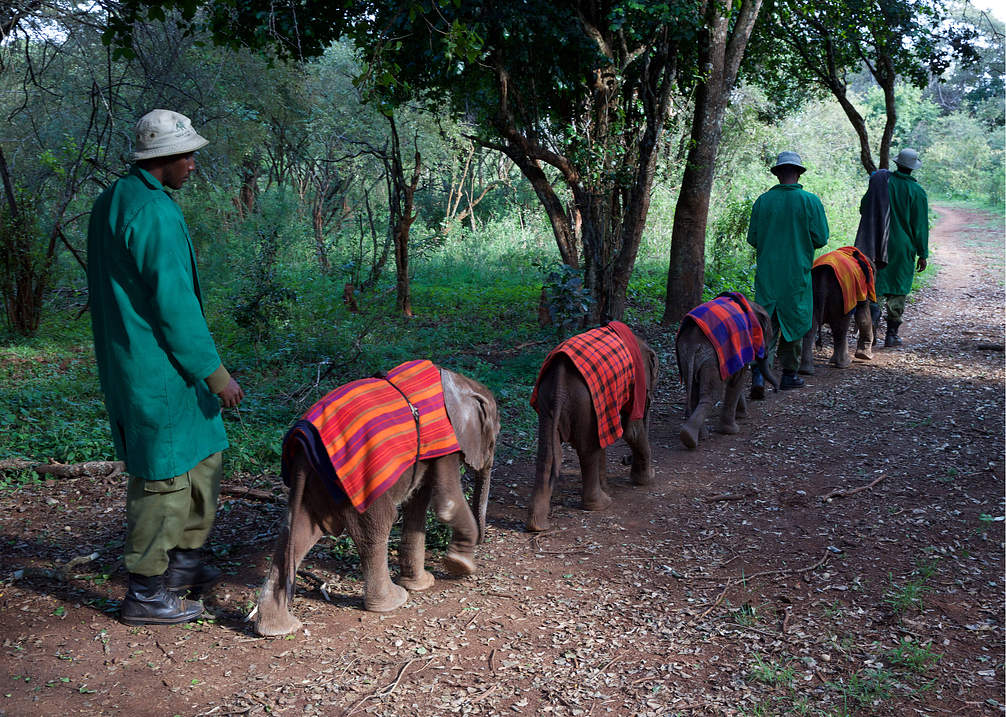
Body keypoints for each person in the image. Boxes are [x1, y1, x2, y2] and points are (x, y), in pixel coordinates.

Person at [87, 109, 245, 626]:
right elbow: (174, 306)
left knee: (205, 453)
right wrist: (216, 374)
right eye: (187, 155)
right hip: (155, 367)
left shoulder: (117, 199)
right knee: (164, 479)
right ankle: (147, 592)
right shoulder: (151, 213)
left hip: (157, 366)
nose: (193, 164)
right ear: (162, 159)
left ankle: (185, 565)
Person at [746, 151, 829, 396]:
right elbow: (821, 238)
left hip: (768, 276)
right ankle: (790, 375)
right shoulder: (810, 201)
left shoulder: (763, 201)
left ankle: (759, 376)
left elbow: (753, 238)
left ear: (779, 173)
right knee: (794, 321)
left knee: (765, 324)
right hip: (796, 274)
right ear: (798, 173)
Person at [854, 148, 929, 347]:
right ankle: (892, 335)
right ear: (913, 168)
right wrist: (923, 253)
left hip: (878, 243)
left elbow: (864, 207)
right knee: (898, 289)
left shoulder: (881, 183)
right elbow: (920, 226)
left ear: (897, 164)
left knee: (876, 288)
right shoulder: (917, 192)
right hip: (903, 248)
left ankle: (870, 336)